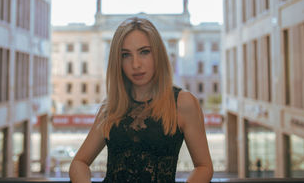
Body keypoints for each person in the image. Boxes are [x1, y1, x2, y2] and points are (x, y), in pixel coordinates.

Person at [69, 17, 213, 183]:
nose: (135, 64)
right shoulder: (111, 106)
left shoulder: (183, 103)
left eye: (144, 52)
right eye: (126, 55)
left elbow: (204, 167)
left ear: (158, 53)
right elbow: (79, 162)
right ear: (118, 61)